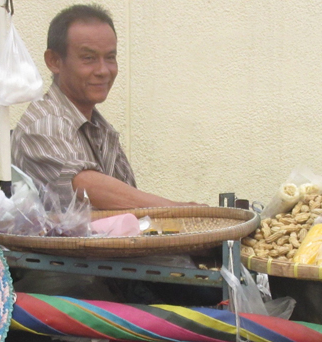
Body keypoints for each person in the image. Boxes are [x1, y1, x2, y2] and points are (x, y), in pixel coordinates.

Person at [11, 3, 197, 210]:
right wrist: (179, 210)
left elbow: (130, 206)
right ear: (54, 61)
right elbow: (85, 185)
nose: (103, 70)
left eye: (110, 58)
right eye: (88, 58)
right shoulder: (43, 124)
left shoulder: (101, 129)